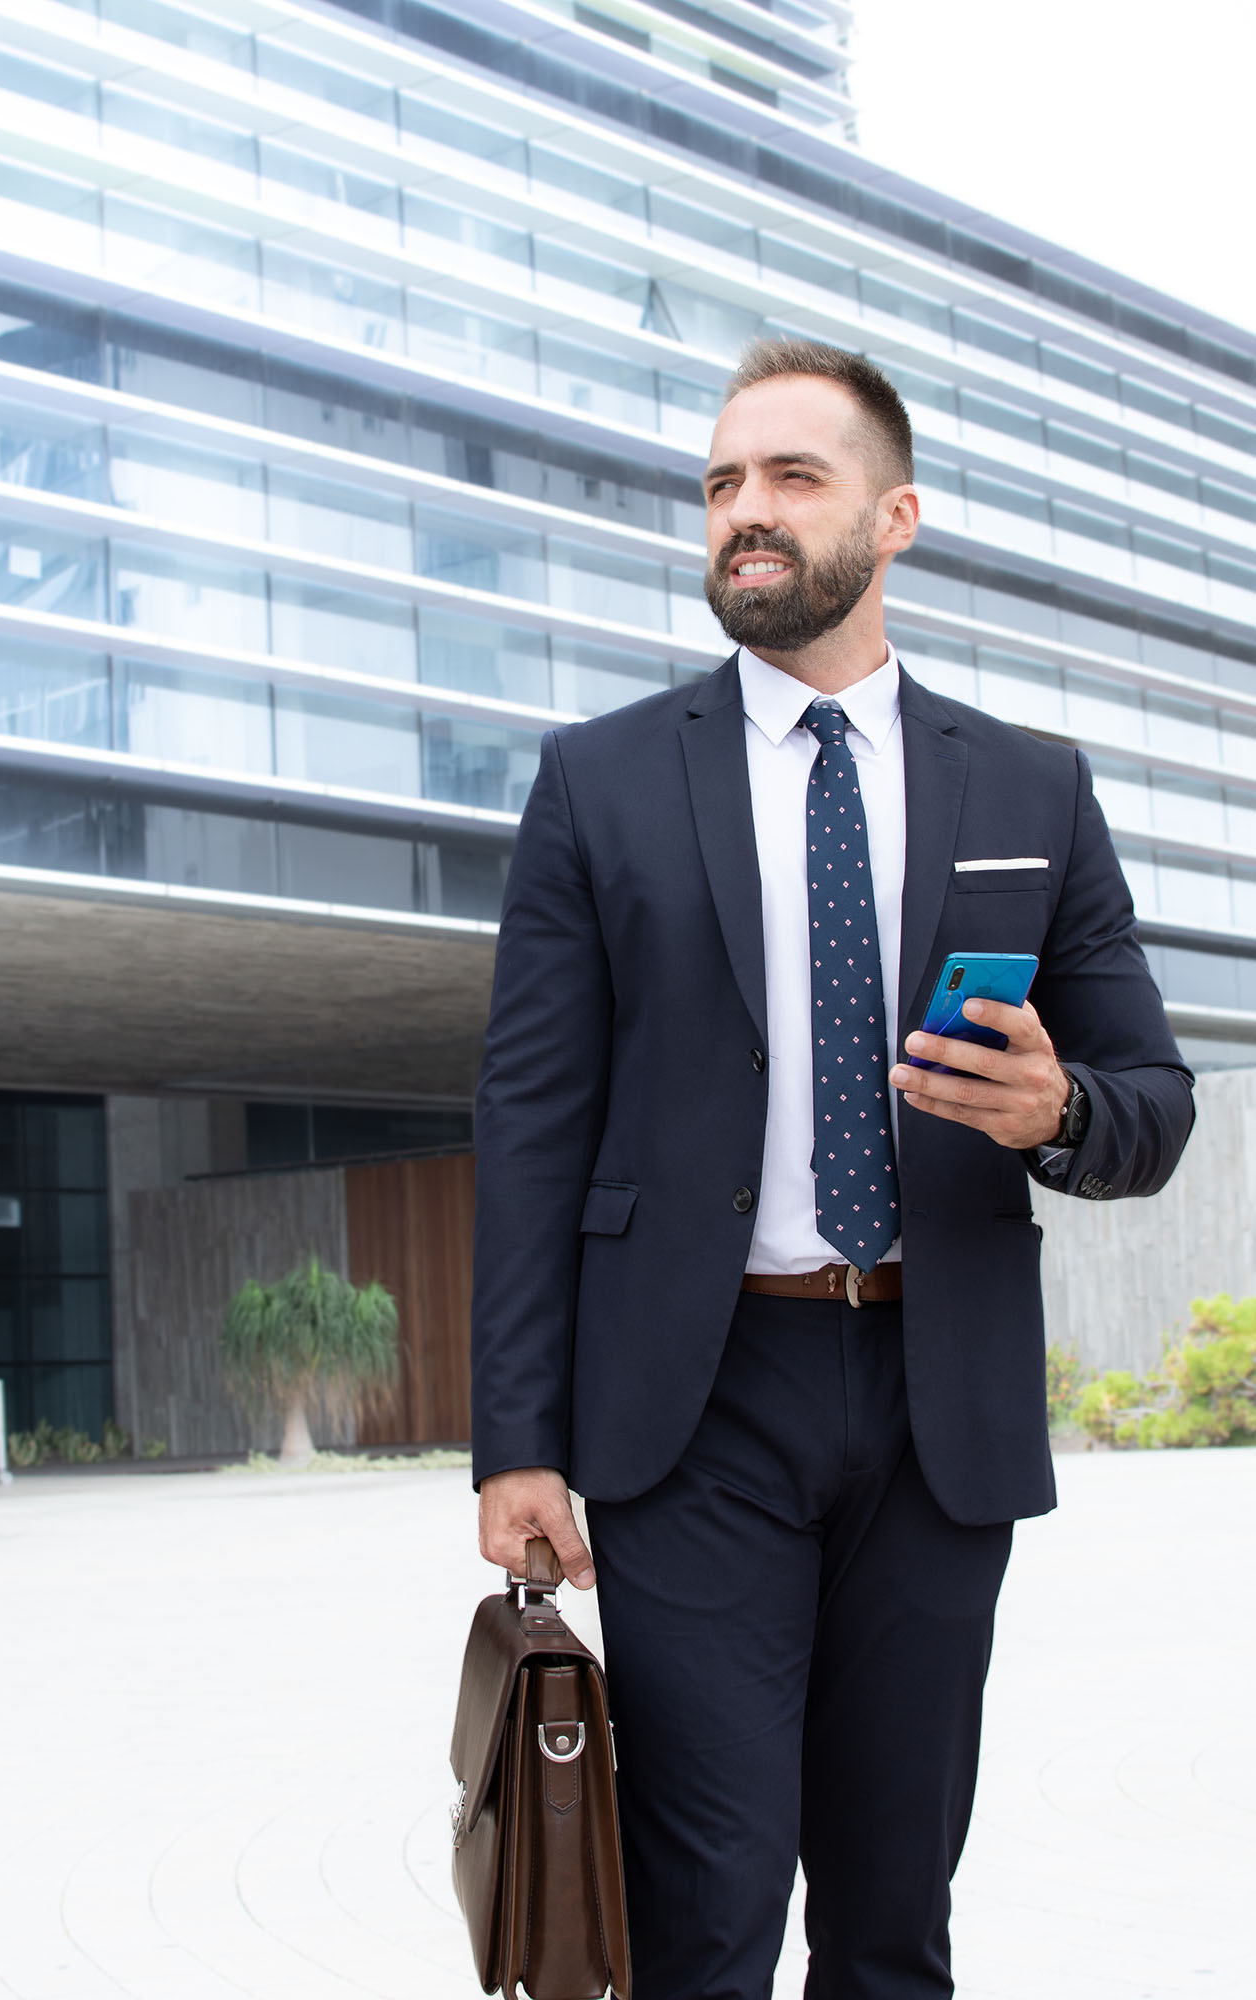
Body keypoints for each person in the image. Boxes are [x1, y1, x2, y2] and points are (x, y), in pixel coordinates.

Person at [470, 337, 1194, 1999]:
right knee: (706, 1906)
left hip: (938, 1405)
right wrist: (516, 1443)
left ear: (897, 515)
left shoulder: (1029, 788)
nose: (745, 512)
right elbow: (526, 1121)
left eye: (791, 477)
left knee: (890, 1915)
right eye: (722, 483)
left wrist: (1055, 1112)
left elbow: (1149, 1095)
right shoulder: (598, 783)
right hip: (696, 1403)